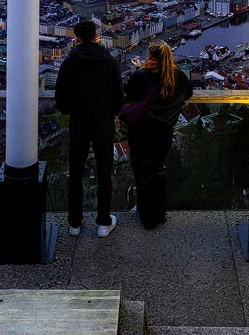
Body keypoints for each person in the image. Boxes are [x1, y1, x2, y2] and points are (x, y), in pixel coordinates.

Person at [55, 20, 124, 238]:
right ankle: (103, 222)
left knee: (75, 174)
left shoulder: (69, 63)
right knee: (105, 174)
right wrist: (110, 112)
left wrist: (71, 110)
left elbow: (61, 100)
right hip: (103, 125)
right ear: (96, 36)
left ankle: (74, 223)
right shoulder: (109, 61)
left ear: (76, 38)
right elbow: (119, 96)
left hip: (79, 125)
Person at [124, 41, 193, 230]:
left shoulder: (141, 76)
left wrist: (139, 70)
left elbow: (130, 95)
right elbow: (187, 94)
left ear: (150, 56)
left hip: (141, 130)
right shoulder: (177, 76)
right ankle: (160, 213)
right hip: (163, 131)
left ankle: (147, 216)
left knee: (142, 171)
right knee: (159, 169)